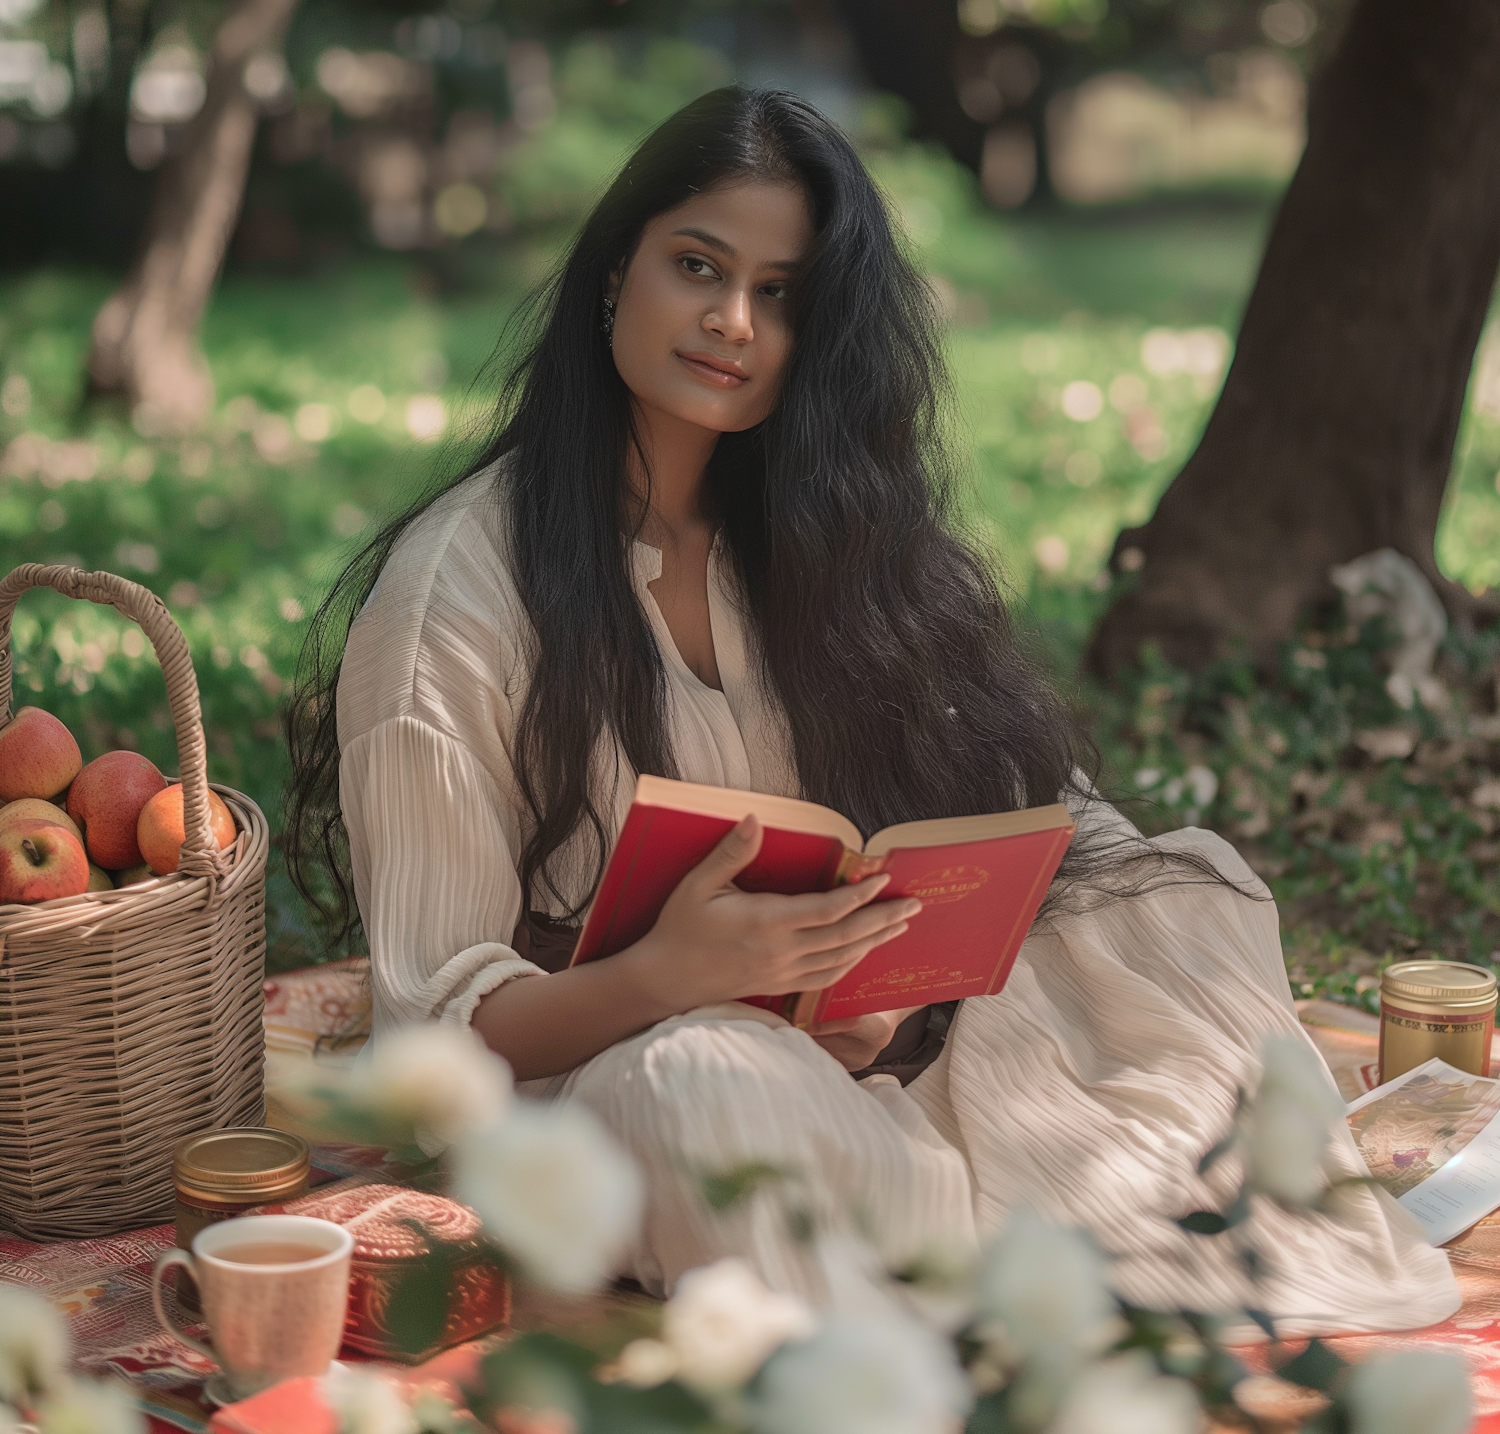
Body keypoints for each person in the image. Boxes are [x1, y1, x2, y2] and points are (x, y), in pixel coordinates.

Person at [289, 86, 1453, 1334]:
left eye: (783, 293)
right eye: (699, 267)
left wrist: (881, 981)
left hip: (840, 1065)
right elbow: (431, 1043)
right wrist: (673, 975)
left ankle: (983, 1216)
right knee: (700, 1087)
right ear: (616, 267)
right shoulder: (453, 602)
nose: (734, 322)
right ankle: (992, 1236)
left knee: (1180, 889)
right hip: (609, 1095)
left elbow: (987, 815)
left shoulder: (815, 530)